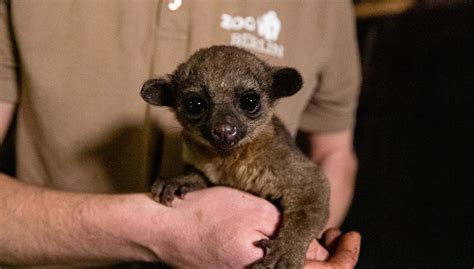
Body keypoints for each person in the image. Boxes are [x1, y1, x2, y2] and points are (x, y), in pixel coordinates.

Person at [0, 0, 361, 268]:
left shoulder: (325, 8)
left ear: (274, 92)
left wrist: (299, 249)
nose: (224, 126)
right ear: (170, 103)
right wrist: (165, 226)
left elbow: (328, 163)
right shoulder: (196, 145)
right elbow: (214, 177)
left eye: (248, 103)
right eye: (196, 107)